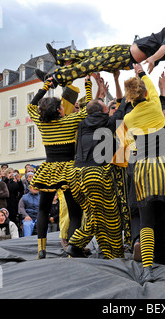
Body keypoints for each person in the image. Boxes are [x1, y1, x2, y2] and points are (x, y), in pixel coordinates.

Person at [121, 64, 165, 284]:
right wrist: (140, 71)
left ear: (130, 99)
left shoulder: (128, 119)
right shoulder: (157, 104)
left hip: (145, 170)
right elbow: (149, 84)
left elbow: (130, 145)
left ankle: (148, 269)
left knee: (146, 220)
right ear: (146, 94)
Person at [36, 9, 165, 86]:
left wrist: (153, 59)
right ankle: (61, 56)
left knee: (91, 63)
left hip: (127, 58)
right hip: (125, 50)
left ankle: (54, 79)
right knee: (91, 53)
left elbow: (164, 49)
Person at [28, 78, 87, 259]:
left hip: (49, 168)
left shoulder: (42, 123)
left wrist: (46, 86)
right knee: (74, 211)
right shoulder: (70, 121)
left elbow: (31, 106)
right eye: (61, 107)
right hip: (68, 169)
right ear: (59, 110)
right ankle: (72, 249)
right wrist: (89, 86)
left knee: (43, 209)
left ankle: (41, 249)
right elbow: (87, 110)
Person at [65, 84, 126, 260]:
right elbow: (121, 107)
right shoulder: (108, 123)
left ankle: (105, 251)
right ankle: (77, 244)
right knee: (109, 215)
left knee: (94, 213)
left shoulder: (82, 123)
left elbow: (91, 107)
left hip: (75, 175)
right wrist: (118, 80)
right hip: (96, 174)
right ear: (105, 110)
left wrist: (98, 90)